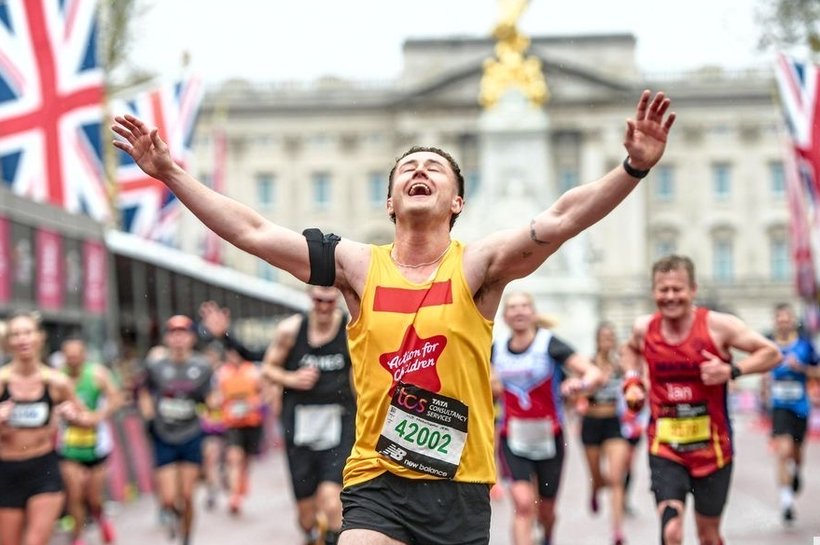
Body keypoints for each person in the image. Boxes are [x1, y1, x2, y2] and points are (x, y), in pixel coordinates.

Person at [112, 88, 676, 545]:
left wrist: (631, 168)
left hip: (460, 484)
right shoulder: (357, 266)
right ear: (390, 202)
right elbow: (254, 233)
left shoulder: (478, 265)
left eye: (433, 167)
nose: (419, 171)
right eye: (407, 168)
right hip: (376, 478)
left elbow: (559, 221)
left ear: (457, 201)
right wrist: (171, 174)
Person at [621, 255, 781, 545]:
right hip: (666, 447)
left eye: (677, 289)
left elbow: (771, 352)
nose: (670, 297)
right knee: (671, 532)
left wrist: (731, 370)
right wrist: (632, 382)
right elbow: (629, 351)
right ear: (653, 292)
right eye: (663, 290)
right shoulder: (644, 328)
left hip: (713, 451)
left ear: (692, 290)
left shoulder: (718, 326)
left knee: (708, 536)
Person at [491, 291, 603, 545]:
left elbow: (594, 373)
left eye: (524, 306)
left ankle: (548, 534)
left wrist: (579, 384)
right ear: (505, 316)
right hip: (513, 437)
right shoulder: (496, 350)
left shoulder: (549, 344)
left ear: (533, 313)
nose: (519, 311)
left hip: (550, 438)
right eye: (512, 307)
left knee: (546, 510)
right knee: (523, 505)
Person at [259, 286, 355, 545]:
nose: (323, 307)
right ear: (309, 298)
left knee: (332, 501)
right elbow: (267, 368)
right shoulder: (291, 330)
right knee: (306, 516)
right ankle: (313, 535)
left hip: (339, 421)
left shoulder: (350, 330)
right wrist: (291, 378)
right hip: (299, 425)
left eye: (329, 301)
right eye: (318, 300)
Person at [0, 311, 90, 545]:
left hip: (43, 468)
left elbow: (86, 418)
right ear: (8, 342)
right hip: (5, 470)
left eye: (28, 333)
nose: (22, 339)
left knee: (35, 541)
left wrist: (73, 415)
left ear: (40, 338)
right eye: (16, 334)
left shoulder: (56, 381)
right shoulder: (1, 380)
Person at [136, 315, 213, 545]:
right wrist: (148, 417)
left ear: (191, 338)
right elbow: (143, 392)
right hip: (164, 435)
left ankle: (187, 537)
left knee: (187, 496)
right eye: (174, 334)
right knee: (169, 499)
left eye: (183, 334)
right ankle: (173, 517)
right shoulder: (155, 365)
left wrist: (213, 411)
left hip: (191, 434)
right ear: (167, 338)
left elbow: (210, 398)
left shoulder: (202, 366)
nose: (178, 339)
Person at [58, 336, 123, 545]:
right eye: (69, 357)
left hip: (96, 444)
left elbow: (116, 399)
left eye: (76, 356)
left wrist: (97, 416)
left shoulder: (97, 374)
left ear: (84, 355)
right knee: (75, 494)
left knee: (94, 498)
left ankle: (101, 518)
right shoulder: (59, 377)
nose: (73, 360)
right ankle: (77, 537)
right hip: (69, 445)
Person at [764, 302, 819, 524]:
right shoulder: (768, 346)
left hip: (800, 407)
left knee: (796, 453)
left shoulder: (805, 346)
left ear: (793, 320)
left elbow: (817, 370)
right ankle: (786, 502)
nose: (783, 321)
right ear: (775, 321)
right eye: (779, 318)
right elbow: (761, 369)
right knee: (783, 451)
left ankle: (796, 472)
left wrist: (802, 369)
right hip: (779, 407)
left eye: (787, 317)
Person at [578, 321, 631, 545]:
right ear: (598, 340)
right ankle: (595, 487)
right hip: (591, 422)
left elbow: (634, 388)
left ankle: (617, 530)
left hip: (614, 423)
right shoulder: (587, 364)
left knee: (617, 477)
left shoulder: (621, 366)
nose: (607, 341)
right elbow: (574, 397)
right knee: (597, 474)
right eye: (604, 338)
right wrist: (590, 384)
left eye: (611, 337)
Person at [214, 345, 266, 516]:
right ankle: (234, 496)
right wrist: (218, 402)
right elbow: (215, 396)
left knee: (246, 459)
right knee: (234, 457)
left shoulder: (253, 371)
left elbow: (264, 392)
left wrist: (254, 402)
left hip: (252, 423)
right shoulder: (221, 373)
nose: (233, 357)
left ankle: (242, 482)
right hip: (232, 424)